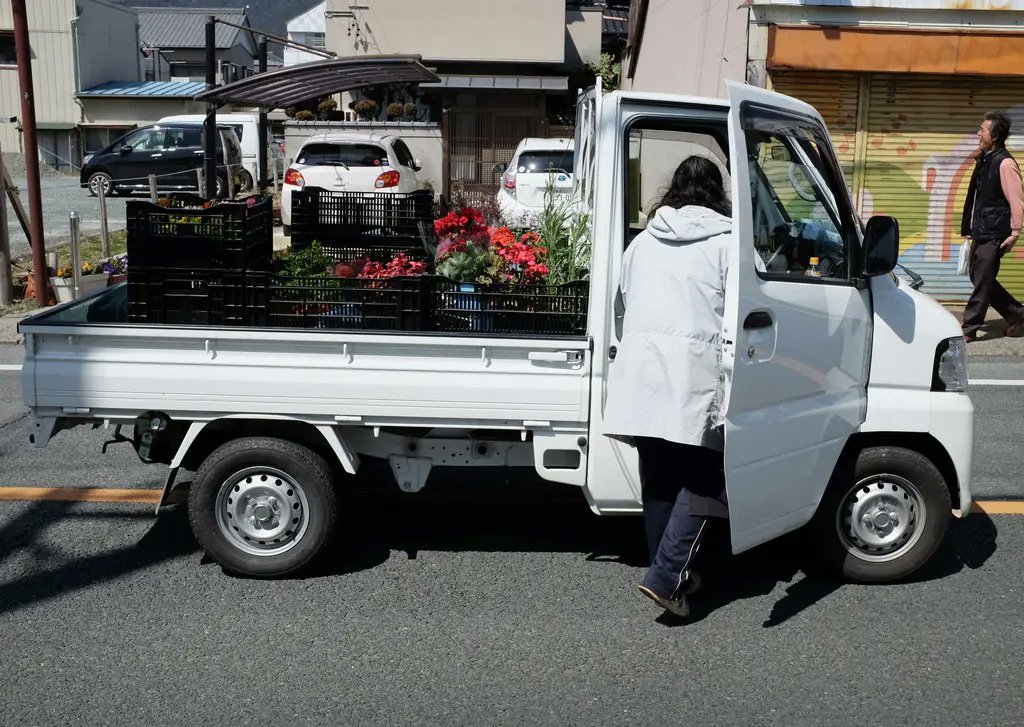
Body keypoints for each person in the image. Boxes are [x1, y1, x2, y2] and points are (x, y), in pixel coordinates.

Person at [603, 155, 732, 620]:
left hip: (640, 372)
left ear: (672, 191)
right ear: (718, 193)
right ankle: (665, 578)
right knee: (706, 481)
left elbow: (621, 304)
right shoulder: (728, 244)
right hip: (693, 375)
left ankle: (669, 571)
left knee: (658, 481)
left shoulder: (642, 242)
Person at [961, 111, 1024, 342]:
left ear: (995, 136)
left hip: (995, 232)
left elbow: (1017, 200)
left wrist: (1015, 232)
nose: (978, 133)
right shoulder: (986, 158)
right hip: (982, 229)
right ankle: (1017, 314)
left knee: (982, 280)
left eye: (982, 130)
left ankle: (969, 328)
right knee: (979, 277)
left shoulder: (1005, 163)